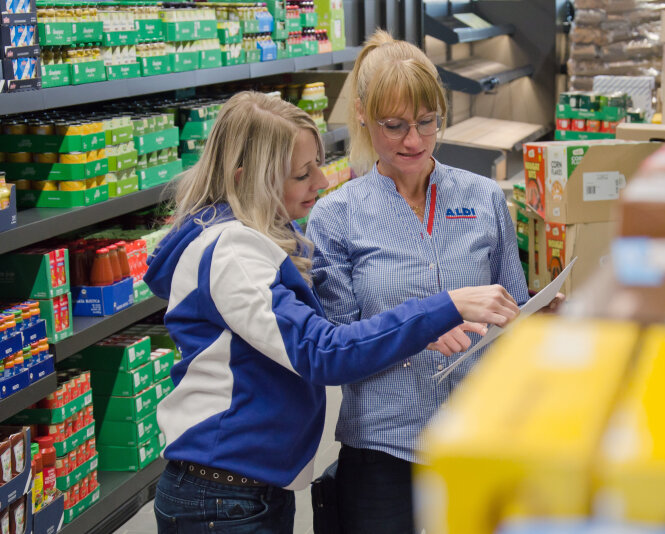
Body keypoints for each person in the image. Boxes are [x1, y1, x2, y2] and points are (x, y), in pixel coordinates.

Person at [143, 91, 520, 534]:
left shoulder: (256, 236)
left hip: (247, 487)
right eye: (303, 174)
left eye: (318, 165)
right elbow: (322, 350)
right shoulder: (231, 254)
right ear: (248, 179)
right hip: (222, 495)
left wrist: (420, 329)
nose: (321, 182)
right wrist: (446, 305)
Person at [305, 31, 534, 534]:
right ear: (362, 114)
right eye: (395, 126)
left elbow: (511, 306)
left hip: (478, 436)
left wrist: (539, 315)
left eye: (428, 123)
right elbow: (337, 349)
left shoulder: (482, 197)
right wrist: (420, 330)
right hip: (385, 448)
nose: (414, 141)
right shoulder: (336, 217)